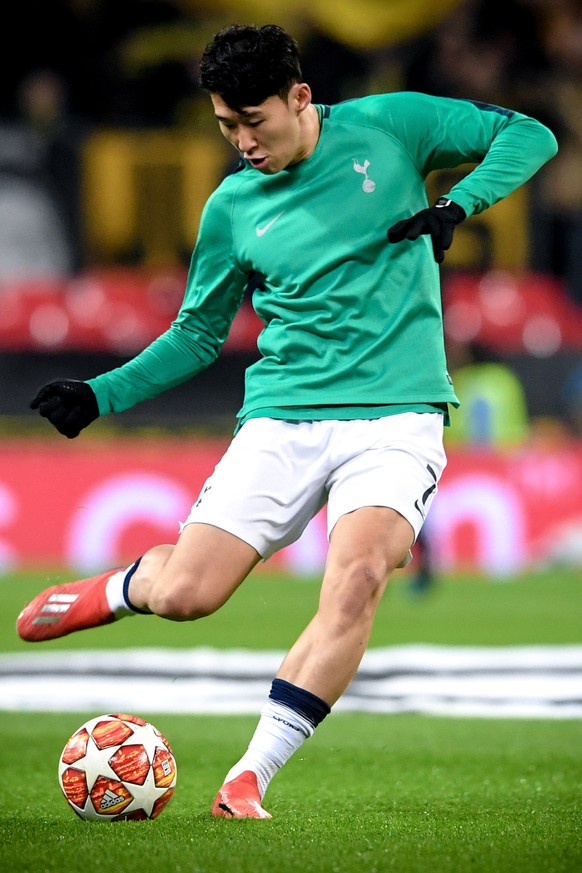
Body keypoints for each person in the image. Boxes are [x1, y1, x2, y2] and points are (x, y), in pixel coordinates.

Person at [18, 24, 557, 819]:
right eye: (226, 127)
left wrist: (459, 204)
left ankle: (249, 776)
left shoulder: (394, 126)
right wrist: (103, 393)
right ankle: (130, 585)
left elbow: (530, 133)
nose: (242, 143)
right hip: (282, 419)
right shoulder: (232, 206)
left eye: (253, 122)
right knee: (190, 596)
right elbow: (198, 334)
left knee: (360, 574)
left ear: (300, 97)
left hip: (397, 415)